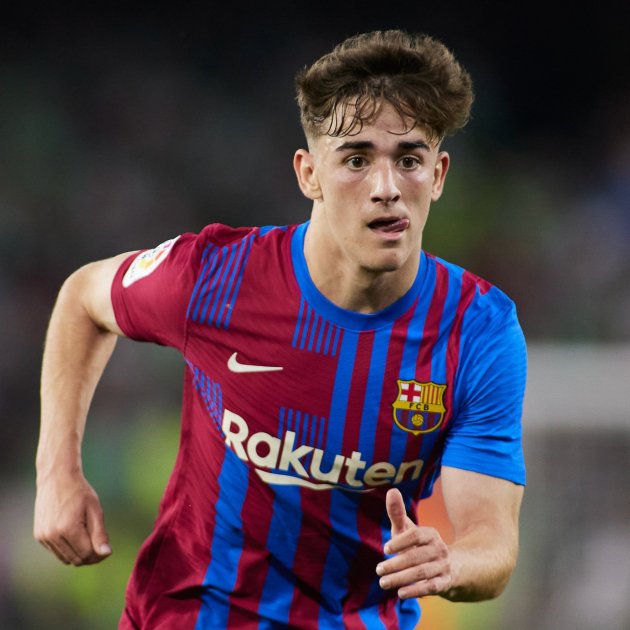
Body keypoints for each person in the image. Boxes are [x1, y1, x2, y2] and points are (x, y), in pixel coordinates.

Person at [34, 29, 527, 629]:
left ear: (439, 174)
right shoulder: (215, 276)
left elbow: (492, 540)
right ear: (309, 173)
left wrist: (453, 562)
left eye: (409, 160)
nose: (386, 188)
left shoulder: (478, 332)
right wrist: (56, 473)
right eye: (356, 159)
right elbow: (83, 297)